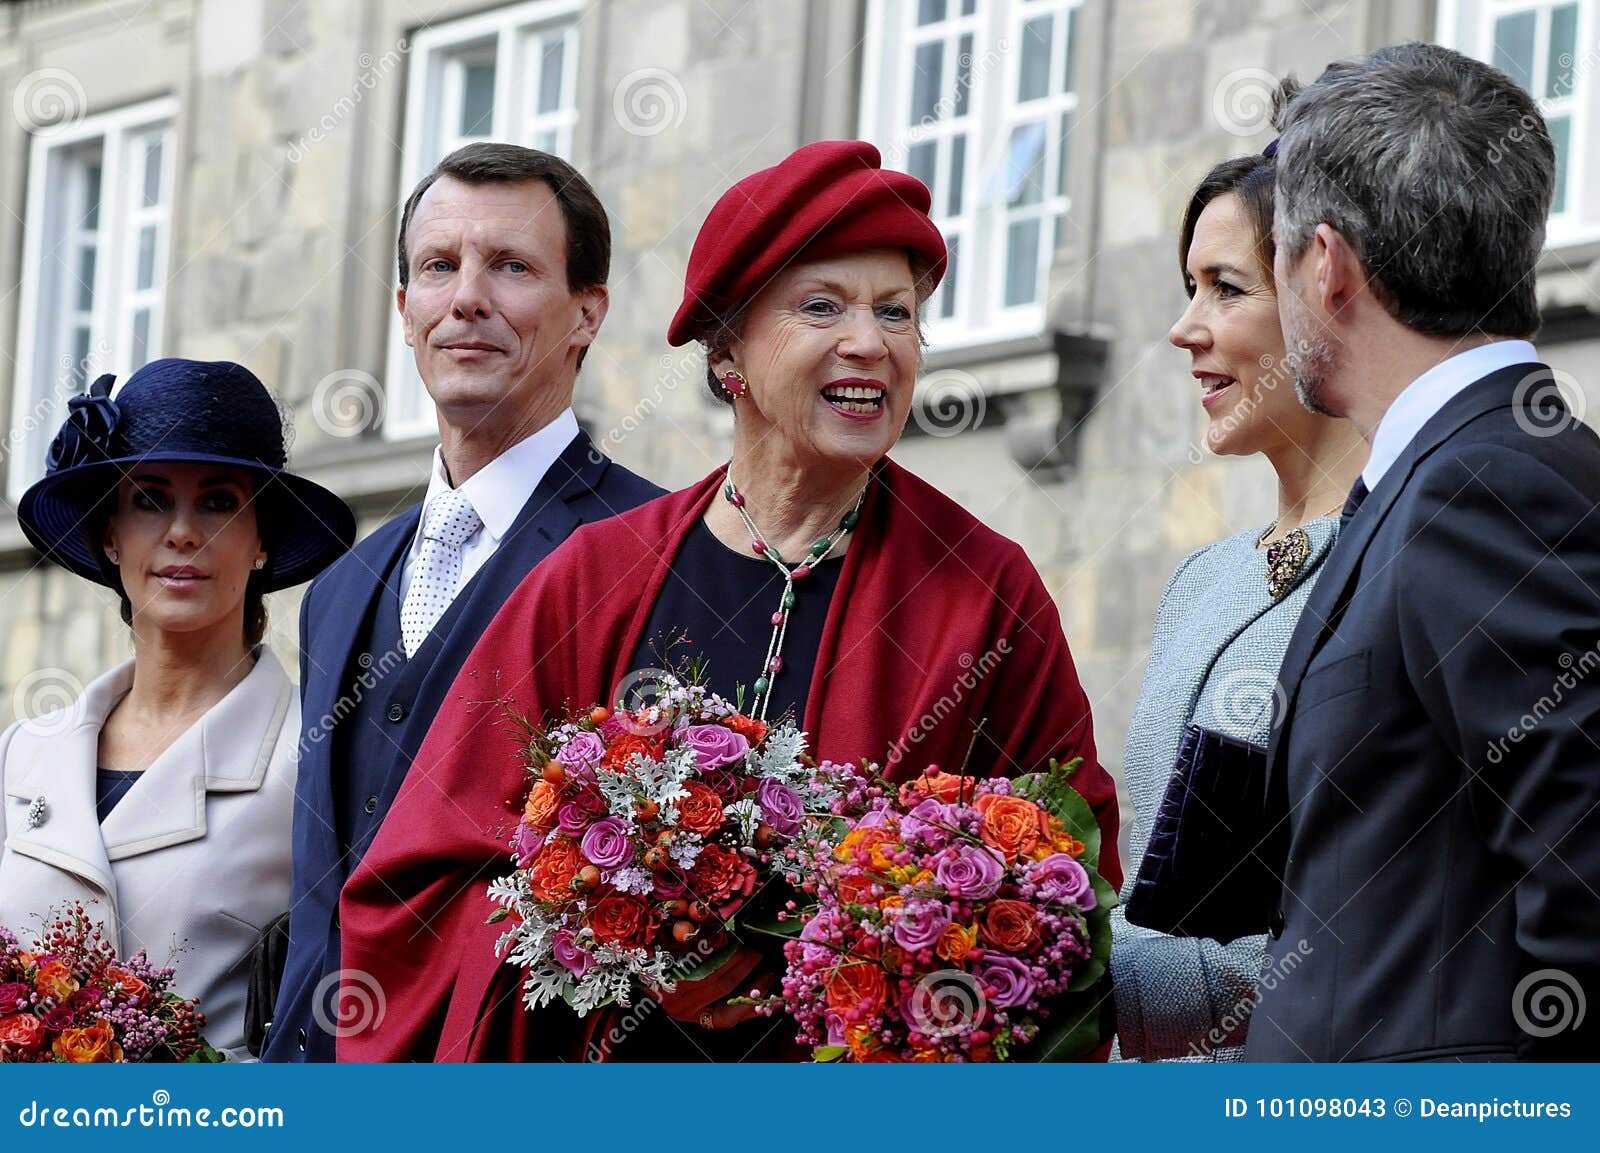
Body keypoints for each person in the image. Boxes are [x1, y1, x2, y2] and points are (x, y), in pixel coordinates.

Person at [335, 139, 1123, 1062]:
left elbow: (1068, 895)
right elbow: (422, 875)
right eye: (822, 306)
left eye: (897, 313)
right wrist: (603, 926)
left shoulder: (983, 588)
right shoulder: (594, 578)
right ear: (728, 351)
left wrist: (884, 955)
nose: (869, 341)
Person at [263, 143, 663, 1062]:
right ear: (405, 311)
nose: (467, 298)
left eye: (512, 267)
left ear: (586, 313)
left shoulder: (657, 552)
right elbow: (322, 891)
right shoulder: (340, 590)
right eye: (439, 267)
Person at [1254, 42, 1600, 1060]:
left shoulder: (1485, 484)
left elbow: (1582, 878)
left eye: (1273, 259)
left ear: (1326, 267)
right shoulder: (1456, 469)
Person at [2, 358, 355, 1060]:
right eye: (150, 499)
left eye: (219, 501)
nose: (184, 531)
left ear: (262, 540)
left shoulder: (314, 761)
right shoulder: (20, 753)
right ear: (111, 534)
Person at [1110, 135, 1368, 1062]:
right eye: (1190, 288)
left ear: (1321, 292)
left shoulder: (1401, 570)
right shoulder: (1201, 579)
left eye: (1225, 287)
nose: (1186, 327)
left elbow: (1369, 931)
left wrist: (1103, 981)